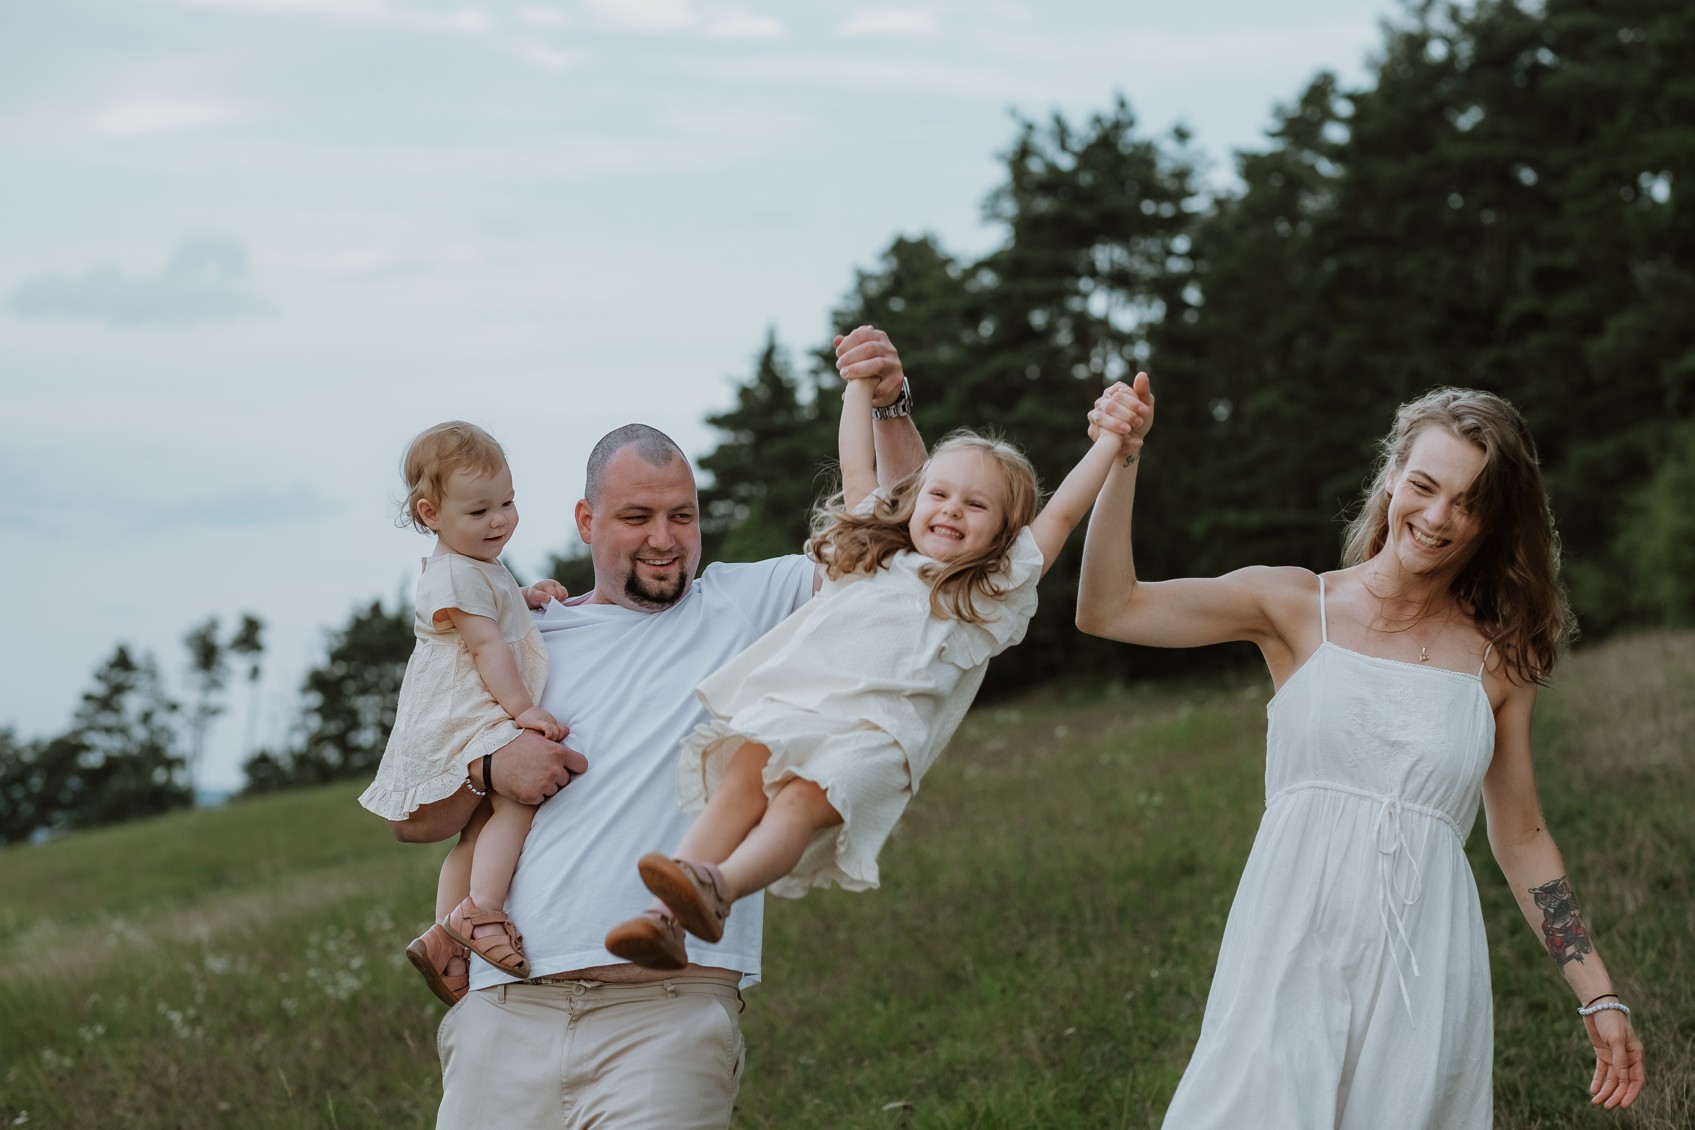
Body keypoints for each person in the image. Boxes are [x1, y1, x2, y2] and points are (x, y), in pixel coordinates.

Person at [388, 327, 926, 1130]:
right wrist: (490, 773)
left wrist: (887, 407)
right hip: (507, 1014)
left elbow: (906, 543)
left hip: (671, 1010)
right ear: (585, 519)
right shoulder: (516, 641)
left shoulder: (751, 606)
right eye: (637, 516)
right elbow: (415, 818)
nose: (664, 538)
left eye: (682, 515)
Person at [1077, 375, 1646, 1127]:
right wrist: (1121, 457)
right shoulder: (1292, 605)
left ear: (1490, 524)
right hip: (1287, 938)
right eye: (1423, 485)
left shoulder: (1497, 660)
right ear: (1389, 477)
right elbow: (1107, 607)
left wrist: (1596, 992)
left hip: (1424, 960)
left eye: (1468, 503)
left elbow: (1521, 835)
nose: (1437, 517)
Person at [604, 377, 1127, 968]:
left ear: (1004, 534)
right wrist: (855, 385)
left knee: (798, 806)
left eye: (975, 505)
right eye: (940, 494)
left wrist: (1111, 440)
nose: (952, 509)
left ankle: (717, 889)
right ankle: (664, 917)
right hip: (798, 708)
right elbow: (856, 458)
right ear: (913, 499)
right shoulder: (869, 556)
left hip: (877, 737)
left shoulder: (984, 592)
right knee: (742, 782)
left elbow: (1059, 517)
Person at [359, 421, 570, 1001]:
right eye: (480, 512)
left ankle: (443, 937)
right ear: (431, 514)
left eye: (507, 503)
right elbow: (485, 645)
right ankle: (481, 912)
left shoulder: (474, 562)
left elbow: (495, 615)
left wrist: (523, 599)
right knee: (516, 801)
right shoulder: (455, 572)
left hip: (460, 707)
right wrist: (524, 711)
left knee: (474, 833)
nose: (499, 520)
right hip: (466, 710)